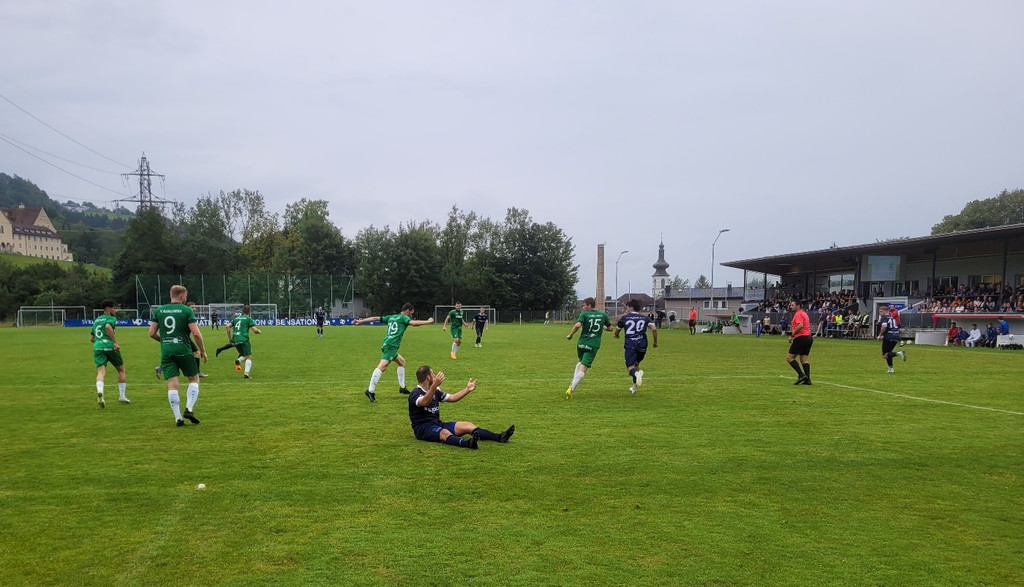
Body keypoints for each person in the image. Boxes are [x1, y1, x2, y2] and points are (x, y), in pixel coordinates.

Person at [408, 365, 514, 449]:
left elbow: (453, 397)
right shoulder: (415, 394)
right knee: (444, 433)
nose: (435, 376)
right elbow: (425, 402)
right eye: (433, 374)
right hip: (423, 429)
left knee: (467, 425)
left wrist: (467, 389)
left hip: (437, 424)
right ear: (428, 377)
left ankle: (500, 437)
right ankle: (467, 444)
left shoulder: (435, 391)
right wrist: (434, 386)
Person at [149, 285, 207, 426]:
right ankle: (189, 408)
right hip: (184, 350)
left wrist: (165, 341)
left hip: (167, 352)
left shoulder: (160, 311)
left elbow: (151, 333)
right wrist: (202, 351)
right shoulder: (186, 310)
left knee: (172, 384)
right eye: (185, 296)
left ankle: (178, 418)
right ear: (181, 296)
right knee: (194, 379)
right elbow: (196, 333)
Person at [354, 303, 434, 402]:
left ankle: (402, 387)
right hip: (391, 346)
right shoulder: (404, 318)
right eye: (411, 314)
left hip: (387, 344)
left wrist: (361, 321)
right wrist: (428, 321)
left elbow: (375, 318)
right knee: (382, 366)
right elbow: (414, 323)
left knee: (402, 362)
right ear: (408, 311)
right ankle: (370, 390)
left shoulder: (392, 317)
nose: (411, 316)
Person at [565, 297, 612, 399]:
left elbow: (577, 325)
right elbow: (610, 328)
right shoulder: (603, 315)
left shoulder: (584, 315)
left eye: (585, 305)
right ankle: (571, 388)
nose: (583, 307)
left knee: (580, 363)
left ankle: (572, 384)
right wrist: (602, 327)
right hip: (593, 344)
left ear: (590, 305)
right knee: (583, 368)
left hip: (581, 343)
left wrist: (571, 335)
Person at [613, 299, 657, 394]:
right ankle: (634, 387)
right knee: (636, 365)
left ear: (631, 308)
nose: (626, 310)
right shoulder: (645, 318)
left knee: (630, 367)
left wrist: (616, 335)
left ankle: (637, 374)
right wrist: (655, 342)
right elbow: (653, 328)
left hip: (631, 344)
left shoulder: (625, 318)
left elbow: (618, 329)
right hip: (642, 344)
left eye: (627, 308)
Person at [91, 300, 129, 407]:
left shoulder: (96, 320)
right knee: (121, 370)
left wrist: (100, 342)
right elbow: (108, 327)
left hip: (98, 347)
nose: (115, 310)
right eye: (114, 308)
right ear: (108, 308)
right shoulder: (111, 318)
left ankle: (100, 391)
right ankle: (122, 396)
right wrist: (115, 342)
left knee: (101, 372)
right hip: (110, 347)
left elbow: (92, 338)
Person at [215, 303, 262, 378]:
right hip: (243, 339)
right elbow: (255, 330)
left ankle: (239, 361)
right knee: (249, 357)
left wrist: (230, 339)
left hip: (235, 339)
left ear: (242, 311)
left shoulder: (236, 319)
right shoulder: (249, 319)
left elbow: (227, 326)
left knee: (243, 355)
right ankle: (246, 374)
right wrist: (259, 331)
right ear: (249, 312)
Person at [785, 299, 813, 385]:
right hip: (808, 337)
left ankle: (801, 375)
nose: (791, 306)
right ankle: (807, 379)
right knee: (804, 359)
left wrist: (792, 336)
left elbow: (800, 325)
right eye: (791, 305)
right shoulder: (804, 313)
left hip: (801, 337)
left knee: (789, 358)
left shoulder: (798, 314)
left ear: (798, 306)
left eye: (793, 305)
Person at [876, 304, 906, 372]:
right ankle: (891, 368)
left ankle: (899, 353)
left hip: (889, 337)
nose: (880, 313)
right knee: (888, 353)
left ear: (886, 311)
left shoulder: (885, 318)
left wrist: (880, 335)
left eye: (881, 311)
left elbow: (884, 326)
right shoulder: (892, 318)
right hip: (895, 336)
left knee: (884, 354)